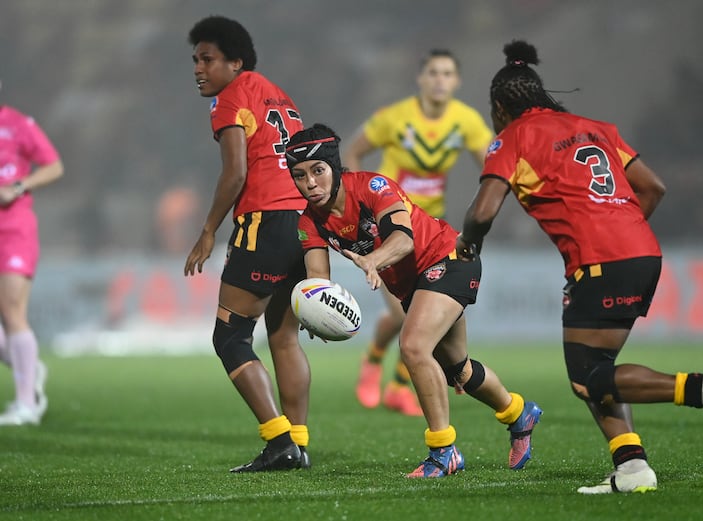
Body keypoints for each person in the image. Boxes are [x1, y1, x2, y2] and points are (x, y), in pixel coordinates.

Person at [456, 40, 703, 494]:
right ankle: (632, 468)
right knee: (597, 368)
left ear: (499, 106)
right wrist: (620, 230)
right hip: (642, 252)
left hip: (602, 261)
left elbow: (482, 212)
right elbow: (654, 188)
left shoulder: (513, 137)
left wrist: (467, 246)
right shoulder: (595, 127)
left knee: (589, 378)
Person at [286, 123, 542, 477]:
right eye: (299, 175)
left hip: (447, 259)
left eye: (318, 171)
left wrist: (374, 260)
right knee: (459, 370)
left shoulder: (373, 187)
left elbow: (404, 239)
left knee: (413, 347)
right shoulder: (309, 223)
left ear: (334, 167)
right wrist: (312, 311)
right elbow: (317, 279)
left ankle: (443, 452)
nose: (310, 183)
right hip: (412, 286)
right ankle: (518, 413)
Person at [183, 16, 311, 472]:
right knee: (283, 336)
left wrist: (207, 231)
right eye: (195, 59)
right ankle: (298, 442)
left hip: (265, 222)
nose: (198, 68)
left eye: (207, 59)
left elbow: (236, 173)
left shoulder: (230, 96)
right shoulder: (281, 95)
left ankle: (279, 443)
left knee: (231, 336)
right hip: (302, 222)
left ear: (235, 62)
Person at [343, 49, 494, 416]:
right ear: (421, 79)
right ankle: (373, 359)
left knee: (420, 319)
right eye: (433, 73)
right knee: (401, 317)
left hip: (432, 231)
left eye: (447, 73)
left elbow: (495, 167)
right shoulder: (395, 118)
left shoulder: (466, 121)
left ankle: (397, 387)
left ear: (456, 81)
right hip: (392, 227)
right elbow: (353, 152)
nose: (440, 80)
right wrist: (359, 202)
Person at [0, 80, 64, 426]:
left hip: (13, 230)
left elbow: (54, 165)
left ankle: (26, 404)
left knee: (11, 311)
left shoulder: (17, 124)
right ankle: (30, 367)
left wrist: (19, 186)